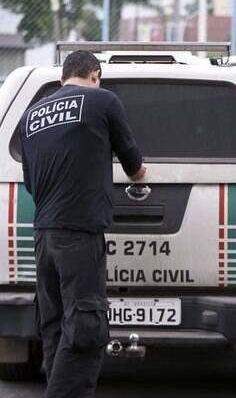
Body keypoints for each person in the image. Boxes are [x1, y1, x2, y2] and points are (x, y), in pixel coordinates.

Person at [19, 50, 146, 397]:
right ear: (95, 75)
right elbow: (133, 164)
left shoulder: (30, 115)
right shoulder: (102, 101)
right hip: (79, 234)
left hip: (44, 236)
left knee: (55, 327)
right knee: (85, 327)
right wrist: (141, 175)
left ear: (63, 79)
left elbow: (31, 182)